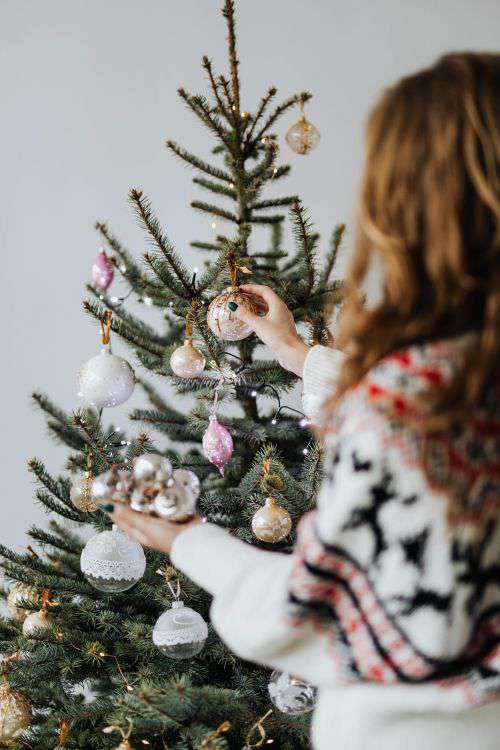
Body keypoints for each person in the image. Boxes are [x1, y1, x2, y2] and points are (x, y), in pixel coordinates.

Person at [106, 52, 500, 749]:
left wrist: (189, 541)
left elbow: (316, 612)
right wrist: (296, 352)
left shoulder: (413, 402)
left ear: (407, 205)